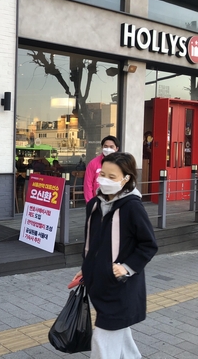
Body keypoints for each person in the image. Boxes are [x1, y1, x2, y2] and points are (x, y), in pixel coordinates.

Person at [71, 152, 158, 359]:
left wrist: (126, 267)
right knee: (119, 334)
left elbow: (149, 244)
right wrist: (86, 268)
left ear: (126, 179)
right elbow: (92, 245)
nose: (105, 180)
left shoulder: (132, 207)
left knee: (103, 339)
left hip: (121, 286)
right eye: (103, 174)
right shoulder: (94, 205)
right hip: (98, 284)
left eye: (112, 177)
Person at [83, 135, 120, 203]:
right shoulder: (93, 163)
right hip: (98, 201)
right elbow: (88, 184)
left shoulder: (121, 164)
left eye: (111, 147)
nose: (108, 149)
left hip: (116, 201)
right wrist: (90, 203)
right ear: (102, 147)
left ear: (116, 148)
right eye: (105, 146)